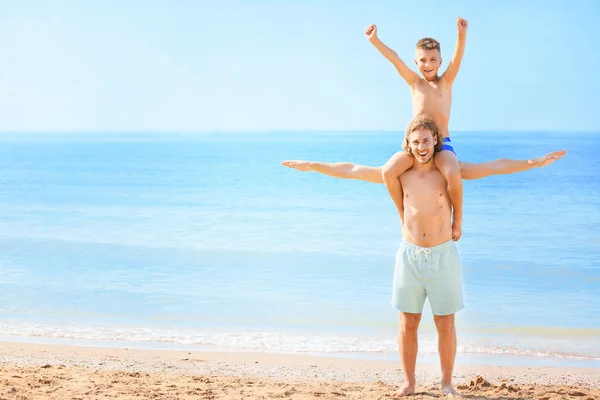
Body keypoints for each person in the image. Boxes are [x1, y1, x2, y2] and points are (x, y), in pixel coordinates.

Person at [281, 115, 566, 397]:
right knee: (408, 322)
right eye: (415, 141)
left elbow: (492, 167)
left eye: (426, 141)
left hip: (443, 255)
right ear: (408, 143)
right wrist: (311, 166)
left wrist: (534, 162)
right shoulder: (400, 174)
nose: (421, 147)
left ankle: (446, 383)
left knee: (446, 322)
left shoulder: (448, 172)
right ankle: (409, 383)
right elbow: (353, 169)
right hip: (410, 256)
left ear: (435, 142)